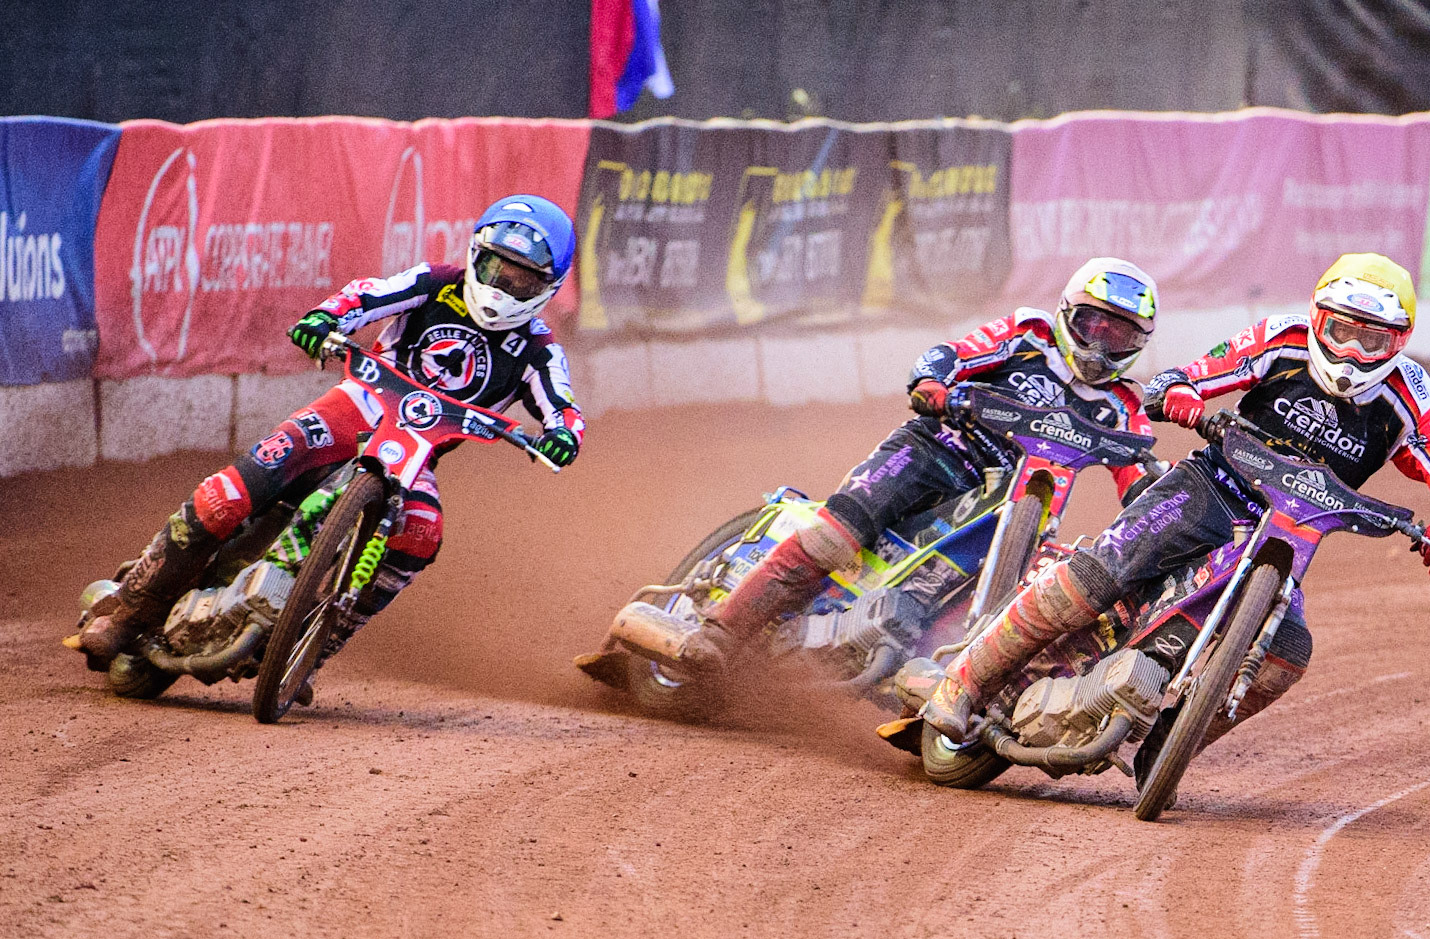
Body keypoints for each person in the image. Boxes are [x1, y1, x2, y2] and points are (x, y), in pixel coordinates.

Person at [922, 252, 1430, 743]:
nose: (1350, 351)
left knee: (1286, 653)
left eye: (1371, 339)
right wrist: (1181, 396)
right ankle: (964, 681)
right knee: (1103, 571)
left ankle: (1167, 749)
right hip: (1213, 486)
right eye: (1341, 330)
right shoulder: (1283, 339)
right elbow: (1182, 377)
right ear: (1319, 318)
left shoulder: (1409, 393)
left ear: (1399, 341)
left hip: (1289, 531)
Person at [73, 194, 585, 669]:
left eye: (522, 279)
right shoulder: (435, 282)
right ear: (476, 254)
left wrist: (563, 435)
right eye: (497, 267)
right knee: (230, 493)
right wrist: (324, 319)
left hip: (415, 455)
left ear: (548, 286)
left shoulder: (540, 351)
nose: (503, 286)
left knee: (422, 534)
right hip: (353, 407)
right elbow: (368, 295)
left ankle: (319, 641)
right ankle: (130, 610)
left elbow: (563, 406)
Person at [672, 257, 1164, 673]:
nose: (1100, 345)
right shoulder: (1028, 336)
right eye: (1091, 325)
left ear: (1138, 344)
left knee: (1032, 591)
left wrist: (1154, 502)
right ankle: (721, 630)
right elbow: (950, 355)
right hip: (938, 452)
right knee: (837, 534)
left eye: (1118, 335)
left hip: (1014, 510)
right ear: (1066, 313)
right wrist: (933, 383)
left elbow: (1136, 470)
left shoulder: (1123, 405)